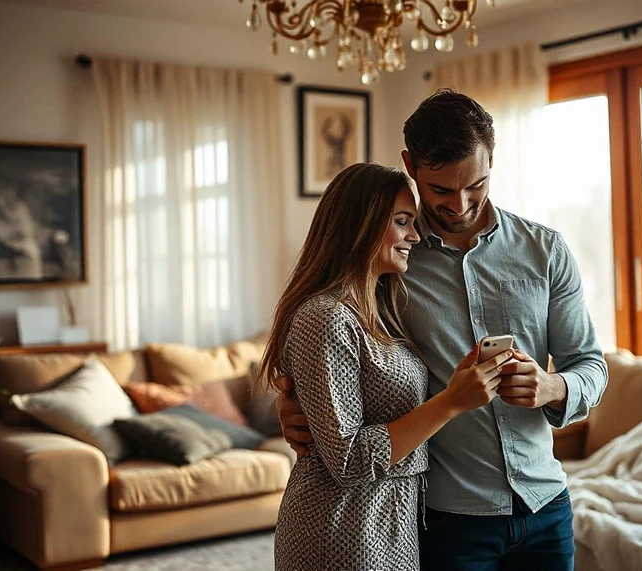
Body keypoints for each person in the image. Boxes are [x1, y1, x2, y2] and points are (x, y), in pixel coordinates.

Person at [276, 89, 610, 571]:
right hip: (446, 519)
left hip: (546, 506)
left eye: (476, 184)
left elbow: (591, 366)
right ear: (411, 166)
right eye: (440, 190)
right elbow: (331, 335)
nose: (459, 204)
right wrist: (291, 402)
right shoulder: (392, 258)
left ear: (492, 161)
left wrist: (554, 386)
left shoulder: (546, 251)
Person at [257, 162, 516, 571]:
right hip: (342, 529)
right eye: (401, 222)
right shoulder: (325, 317)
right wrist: (451, 401)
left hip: (389, 523)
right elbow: (349, 460)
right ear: (360, 225)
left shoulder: (379, 312)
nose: (415, 235)